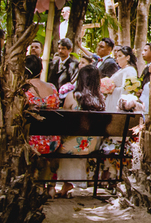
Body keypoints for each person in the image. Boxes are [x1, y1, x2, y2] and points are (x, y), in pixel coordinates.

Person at [57, 64, 105, 196]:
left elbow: (63, 121)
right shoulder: (100, 99)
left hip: (73, 145)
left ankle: (64, 184)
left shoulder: (72, 97)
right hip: (93, 145)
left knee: (64, 142)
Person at [22, 54, 61, 186]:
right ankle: (47, 184)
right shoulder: (52, 88)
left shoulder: (23, 90)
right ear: (41, 69)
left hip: (30, 141)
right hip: (52, 140)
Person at [105, 45, 139, 111]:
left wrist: (112, 89)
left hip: (117, 103)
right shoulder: (121, 70)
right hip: (111, 100)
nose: (117, 59)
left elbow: (126, 90)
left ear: (127, 57)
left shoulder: (130, 70)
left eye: (120, 56)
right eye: (117, 56)